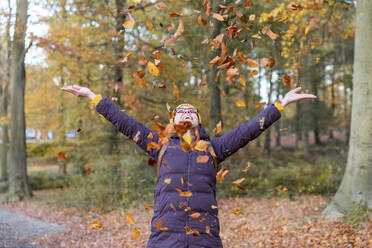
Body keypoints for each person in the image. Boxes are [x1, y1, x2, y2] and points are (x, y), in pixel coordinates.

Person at [61, 84, 316, 247]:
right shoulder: (159, 145)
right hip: (164, 239)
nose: (185, 113)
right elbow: (126, 124)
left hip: (204, 239)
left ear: (197, 121)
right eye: (180, 111)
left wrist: (280, 104)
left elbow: (247, 131)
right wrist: (94, 98)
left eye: (191, 111)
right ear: (173, 121)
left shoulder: (213, 149)